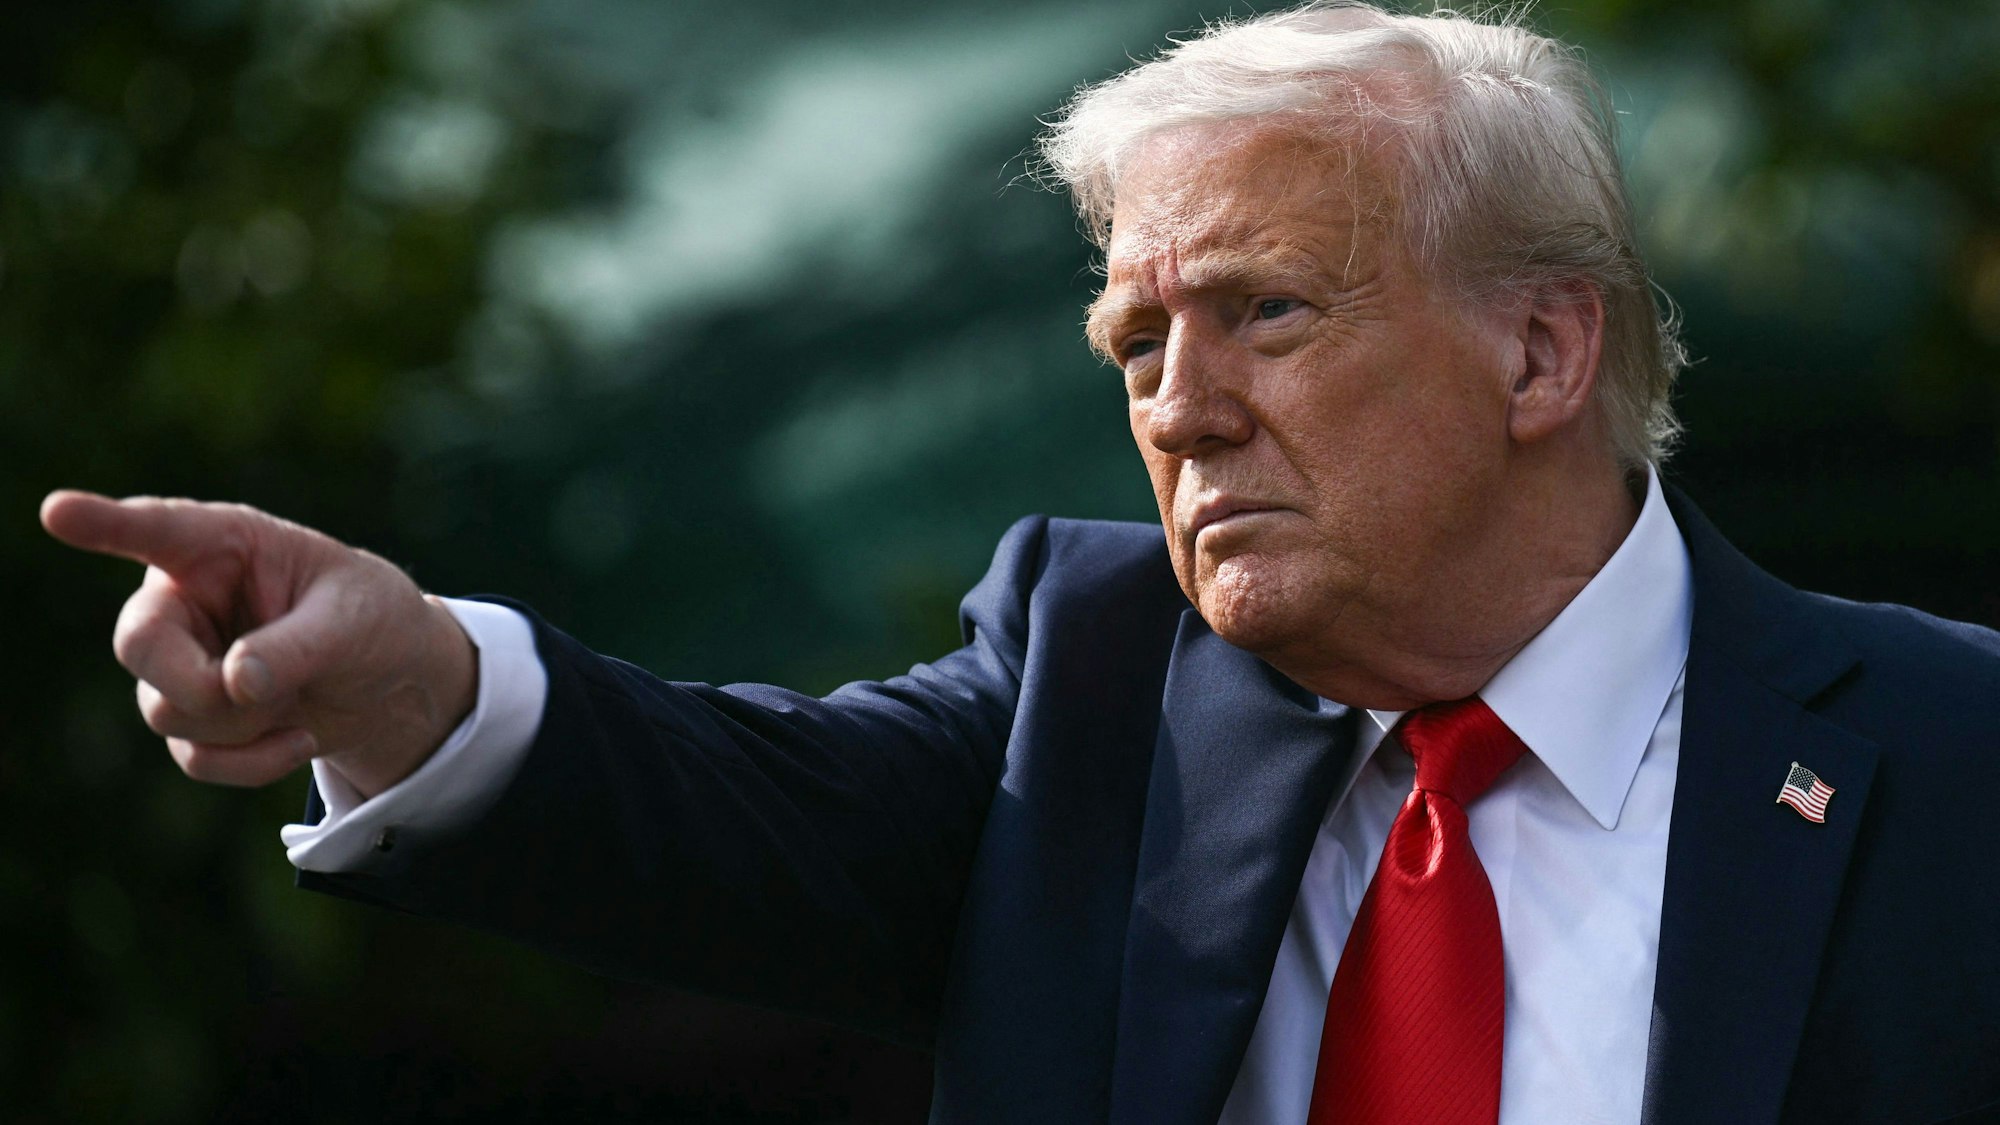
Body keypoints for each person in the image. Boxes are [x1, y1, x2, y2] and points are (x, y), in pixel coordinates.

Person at [39, 4, 2000, 1123]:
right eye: (1137, 345)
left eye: (1266, 315)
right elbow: (723, 807)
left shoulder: (1948, 753)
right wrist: (410, 686)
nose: (1180, 407)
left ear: (1539, 349)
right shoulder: (1094, 681)